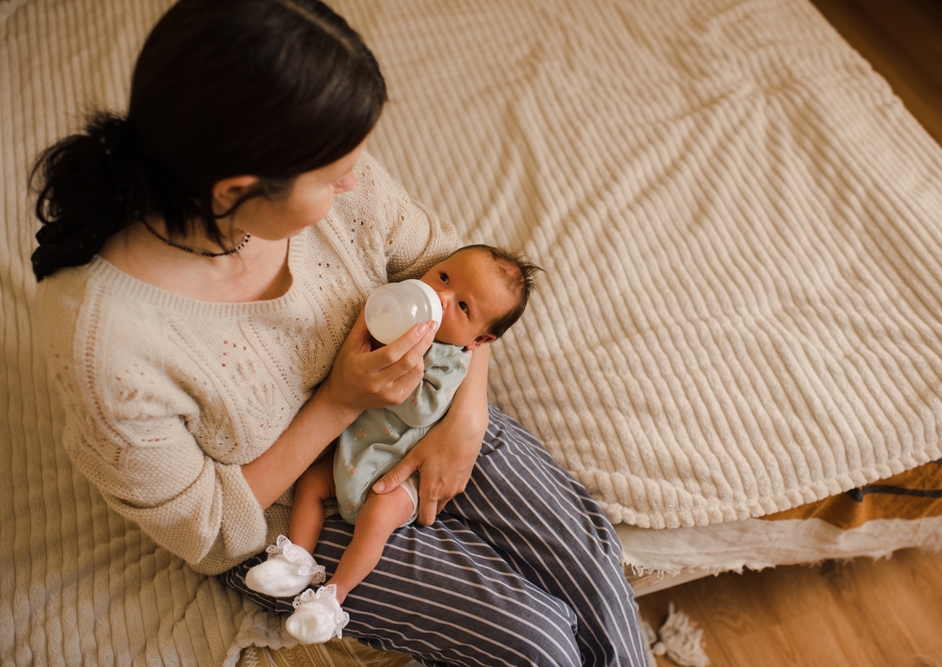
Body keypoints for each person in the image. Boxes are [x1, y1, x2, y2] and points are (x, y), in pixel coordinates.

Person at [30, 0, 647, 664]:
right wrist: (341, 402)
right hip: (293, 509)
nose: (356, 180)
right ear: (235, 190)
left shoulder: (339, 182)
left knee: (591, 559)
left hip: (426, 403)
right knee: (538, 639)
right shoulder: (106, 343)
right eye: (333, 176)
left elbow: (446, 263)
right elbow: (207, 529)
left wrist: (465, 408)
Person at [245, 244, 542, 644]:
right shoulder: (398, 315)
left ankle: (333, 596)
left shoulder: (452, 360)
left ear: (479, 339)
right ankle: (296, 559)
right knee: (312, 484)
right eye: (443, 278)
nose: (441, 297)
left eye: (463, 307)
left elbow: (421, 411)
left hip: (398, 468)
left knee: (379, 515)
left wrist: (404, 362)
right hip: (354, 452)